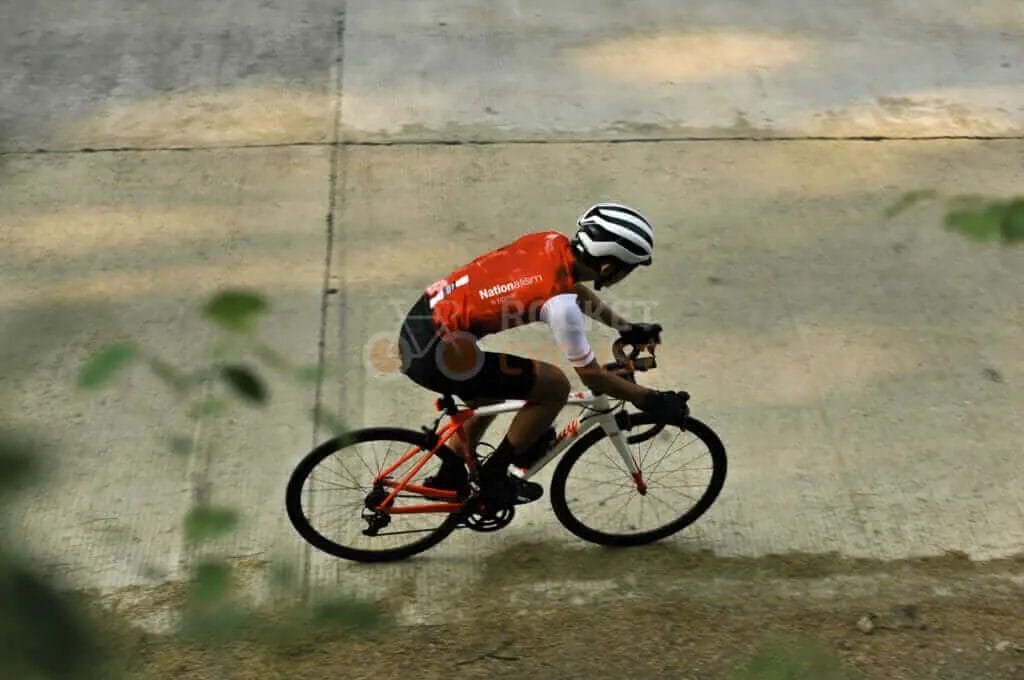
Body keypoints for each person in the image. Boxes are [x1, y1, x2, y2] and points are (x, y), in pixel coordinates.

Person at [396, 202, 688, 505]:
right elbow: (593, 378)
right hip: (437, 354)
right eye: (628, 269)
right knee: (553, 385)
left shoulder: (549, 241)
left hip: (421, 326)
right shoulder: (559, 306)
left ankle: (451, 475)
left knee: (488, 394)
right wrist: (650, 399)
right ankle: (494, 477)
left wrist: (624, 327)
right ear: (608, 267)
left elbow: (571, 288)